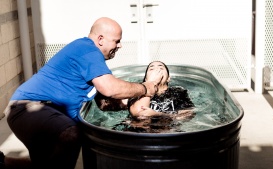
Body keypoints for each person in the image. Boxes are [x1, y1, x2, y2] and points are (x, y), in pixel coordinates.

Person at [1, 17, 162, 169]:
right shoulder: (88, 50)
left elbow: (104, 103)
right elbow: (111, 89)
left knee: (46, 166)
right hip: (29, 107)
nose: (120, 46)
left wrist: (134, 105)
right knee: (70, 133)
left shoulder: (89, 58)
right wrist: (146, 88)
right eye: (117, 41)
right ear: (100, 39)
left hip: (35, 112)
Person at [111, 61, 195, 133]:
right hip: (139, 130)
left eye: (161, 68)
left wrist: (159, 115)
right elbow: (139, 113)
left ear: (168, 78)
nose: (156, 70)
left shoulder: (178, 91)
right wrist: (150, 84)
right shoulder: (138, 90)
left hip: (168, 130)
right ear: (146, 78)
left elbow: (188, 113)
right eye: (151, 69)